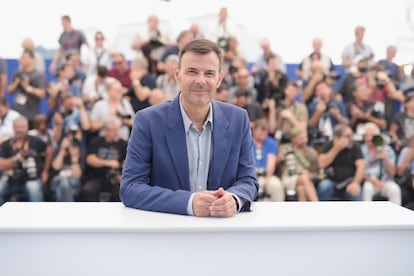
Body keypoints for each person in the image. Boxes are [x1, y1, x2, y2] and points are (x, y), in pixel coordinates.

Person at [120, 39, 258, 217]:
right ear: (177, 74)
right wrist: (189, 202)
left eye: (209, 73)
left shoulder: (239, 119)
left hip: (222, 235)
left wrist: (234, 199)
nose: (200, 81)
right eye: (192, 72)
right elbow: (130, 188)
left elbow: (248, 180)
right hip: (167, 234)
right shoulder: (148, 121)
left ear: (219, 79)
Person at [317, 124, 366, 201]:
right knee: (324, 186)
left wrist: (356, 183)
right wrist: (337, 148)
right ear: (337, 138)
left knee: (356, 193)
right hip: (331, 180)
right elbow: (321, 164)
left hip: (349, 182)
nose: (351, 139)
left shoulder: (355, 146)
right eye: (347, 136)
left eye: (351, 135)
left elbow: (361, 166)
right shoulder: (328, 145)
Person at [361, 123, 401, 205]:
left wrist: (386, 159)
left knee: (395, 189)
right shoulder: (361, 150)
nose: (368, 139)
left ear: (377, 137)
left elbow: (392, 173)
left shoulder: (388, 149)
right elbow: (359, 171)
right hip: (370, 181)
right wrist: (373, 181)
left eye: (371, 136)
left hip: (386, 181)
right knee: (367, 188)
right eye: (366, 136)